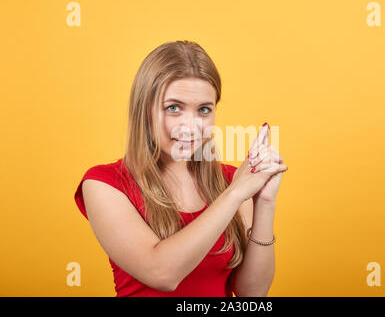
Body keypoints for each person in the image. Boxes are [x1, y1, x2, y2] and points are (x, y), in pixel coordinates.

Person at [73, 40, 288, 297]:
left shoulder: (232, 181)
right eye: (173, 108)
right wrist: (235, 194)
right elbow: (162, 274)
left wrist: (264, 203)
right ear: (145, 110)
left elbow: (251, 295)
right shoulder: (103, 184)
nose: (190, 125)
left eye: (203, 110)